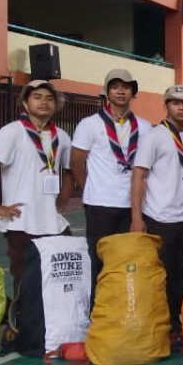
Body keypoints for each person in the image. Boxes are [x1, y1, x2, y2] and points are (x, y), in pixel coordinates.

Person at [0, 80, 74, 292]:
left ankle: (50, 323)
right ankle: (20, 323)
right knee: (25, 278)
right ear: (26, 103)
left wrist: (63, 201)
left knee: (57, 277)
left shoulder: (61, 137)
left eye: (49, 98)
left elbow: (70, 171)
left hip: (52, 221)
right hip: (22, 221)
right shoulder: (13, 131)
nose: (44, 102)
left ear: (56, 105)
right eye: (37, 97)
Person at [130, 85, 183, 336]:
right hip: (160, 217)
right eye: (175, 102)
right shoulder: (154, 136)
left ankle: (176, 324)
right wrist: (137, 216)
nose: (181, 107)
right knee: (161, 276)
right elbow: (139, 175)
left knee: (181, 275)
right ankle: (160, 326)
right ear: (166, 106)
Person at [71, 69, 152, 280]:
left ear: (133, 93)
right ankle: (98, 308)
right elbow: (76, 162)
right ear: (107, 92)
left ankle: (124, 307)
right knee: (99, 260)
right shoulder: (89, 124)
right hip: (100, 205)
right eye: (115, 87)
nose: (121, 92)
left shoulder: (144, 127)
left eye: (126, 87)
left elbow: (146, 169)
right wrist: (89, 188)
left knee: (128, 260)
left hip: (132, 206)